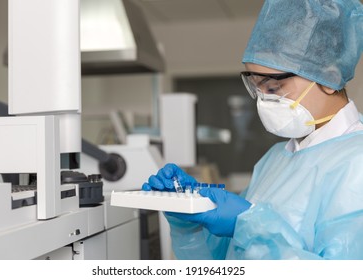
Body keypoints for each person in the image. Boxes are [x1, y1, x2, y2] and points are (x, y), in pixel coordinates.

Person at [142, 0, 363, 259]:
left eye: (273, 86)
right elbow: (224, 261)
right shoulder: (276, 159)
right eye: (256, 86)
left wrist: (247, 223)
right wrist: (192, 221)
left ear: (330, 76)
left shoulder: (356, 163)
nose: (263, 100)